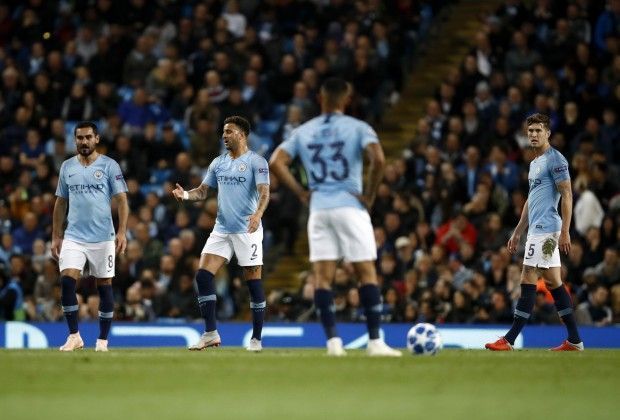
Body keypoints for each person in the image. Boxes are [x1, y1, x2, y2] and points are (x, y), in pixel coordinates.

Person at [269, 77, 401, 357]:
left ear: (320, 98)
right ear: (347, 98)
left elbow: (275, 162)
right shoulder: (358, 127)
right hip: (350, 205)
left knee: (322, 279)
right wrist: (371, 193)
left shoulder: (304, 131)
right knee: (366, 273)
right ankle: (375, 342)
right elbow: (378, 159)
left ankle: (333, 344)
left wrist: (302, 193)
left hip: (319, 209)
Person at [485, 113, 584, 351]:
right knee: (553, 282)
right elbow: (531, 200)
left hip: (547, 230)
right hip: (536, 230)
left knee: (528, 275)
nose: (533, 134)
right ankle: (574, 340)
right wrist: (518, 231)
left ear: (548, 133)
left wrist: (565, 231)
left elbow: (567, 195)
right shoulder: (534, 163)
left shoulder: (555, 159)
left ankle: (509, 339)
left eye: (538, 130)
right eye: (530, 131)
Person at [172, 116, 269, 352]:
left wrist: (257, 214)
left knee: (253, 284)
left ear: (242, 135)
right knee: (203, 276)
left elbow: (264, 192)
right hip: (222, 228)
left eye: (229, 131)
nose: (224, 135)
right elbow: (203, 191)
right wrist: (185, 195)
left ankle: (256, 339)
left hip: (248, 229)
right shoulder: (218, 163)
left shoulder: (257, 162)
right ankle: (210, 333)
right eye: (223, 132)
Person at [52, 121, 129, 352]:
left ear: (97, 139)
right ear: (74, 140)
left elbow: (122, 200)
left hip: (103, 237)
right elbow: (60, 202)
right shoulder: (67, 167)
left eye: (88, 137)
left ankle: (102, 341)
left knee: (104, 285)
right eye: (79, 138)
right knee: (67, 280)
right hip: (74, 236)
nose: (83, 142)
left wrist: (122, 231)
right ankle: (74, 336)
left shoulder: (109, 165)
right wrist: (56, 236)